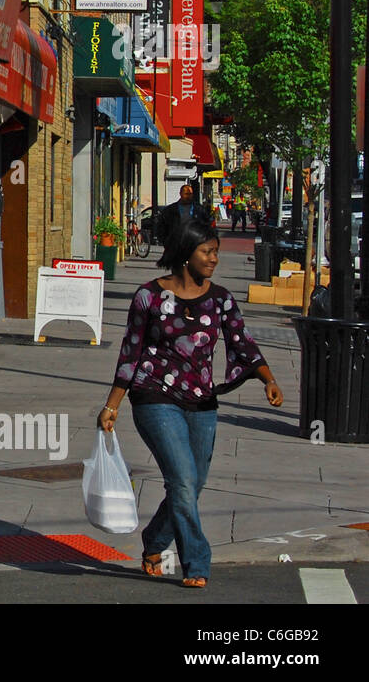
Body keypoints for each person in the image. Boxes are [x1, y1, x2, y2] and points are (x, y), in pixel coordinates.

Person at [97, 219, 284, 588]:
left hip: (201, 401)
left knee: (192, 485)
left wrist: (268, 379)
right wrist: (112, 405)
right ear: (185, 254)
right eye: (207, 251)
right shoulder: (148, 297)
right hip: (153, 395)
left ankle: (154, 540)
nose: (215, 258)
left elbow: (242, 342)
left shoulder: (220, 299)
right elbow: (130, 352)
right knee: (182, 481)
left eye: (216, 251)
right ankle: (196, 562)